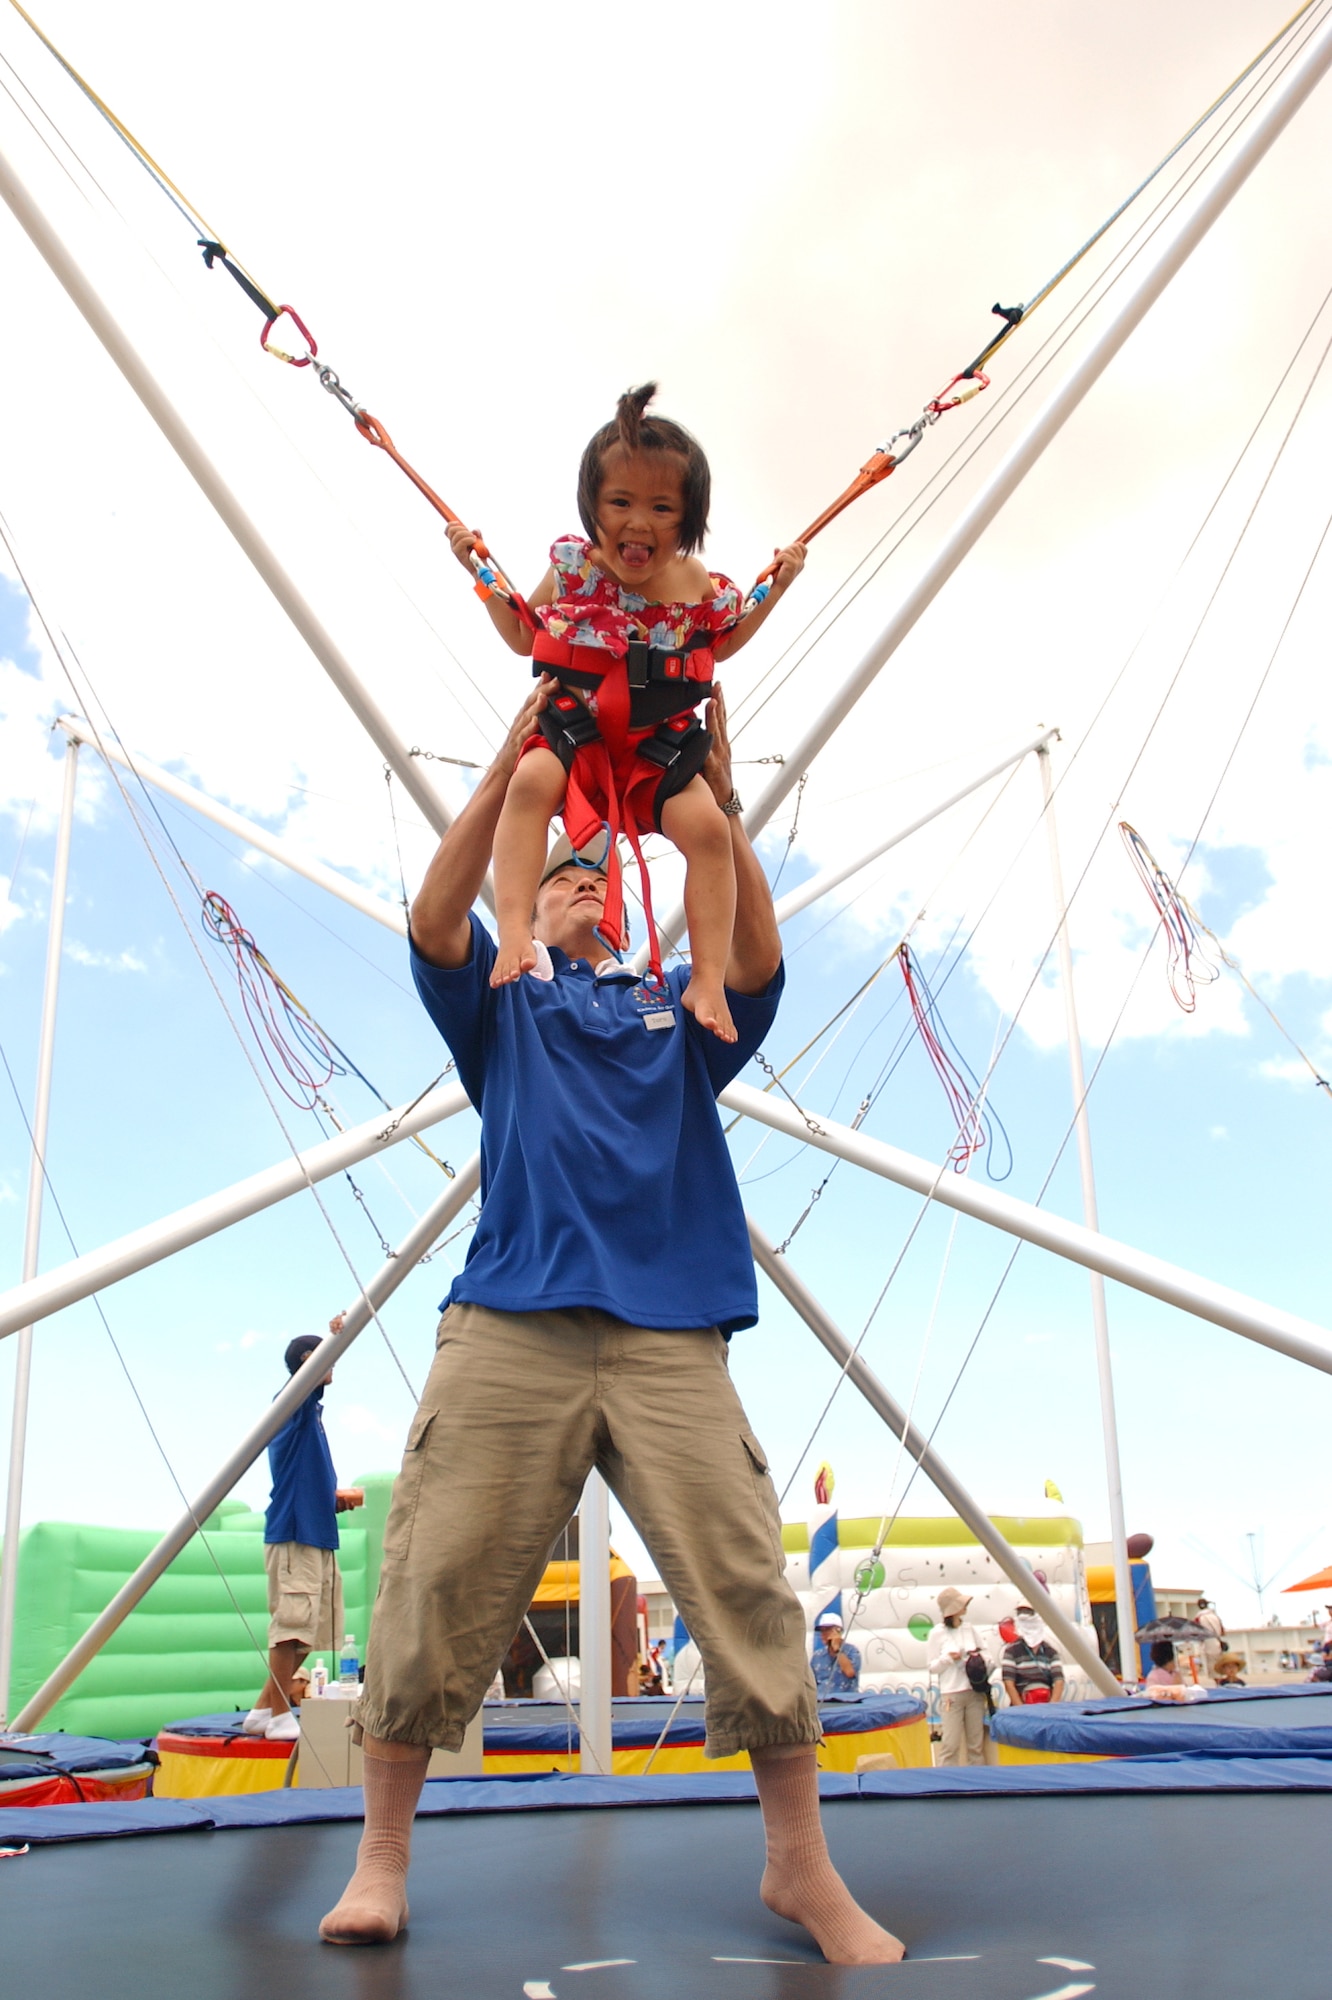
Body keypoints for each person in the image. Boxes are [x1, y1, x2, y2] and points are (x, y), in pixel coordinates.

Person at [318, 688, 903, 1965]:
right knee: (430, 1578)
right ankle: (382, 1857)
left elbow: (752, 959)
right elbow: (434, 917)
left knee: (747, 1579)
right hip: (511, 1320)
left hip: (670, 1330)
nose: (581, 877)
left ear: (630, 906)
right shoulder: (508, 996)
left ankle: (799, 1867)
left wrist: (720, 789)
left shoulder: (676, 1012)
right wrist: (515, 765)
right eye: (561, 866)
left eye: (600, 868)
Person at [446, 383, 806, 1042]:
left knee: (709, 832)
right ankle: (515, 934)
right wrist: (480, 575)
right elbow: (526, 634)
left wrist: (775, 588)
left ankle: (706, 977)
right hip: (574, 736)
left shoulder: (696, 584)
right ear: (592, 510)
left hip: (656, 749)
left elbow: (725, 640)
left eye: (661, 507)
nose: (638, 522)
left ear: (688, 521)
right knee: (526, 787)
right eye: (620, 503)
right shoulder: (574, 573)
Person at [245, 1321, 364, 1742]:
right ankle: (279, 1714)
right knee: (292, 1626)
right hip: (296, 1531)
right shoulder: (294, 1403)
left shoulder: (310, 1415)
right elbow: (310, 1376)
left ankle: (262, 1708)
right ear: (307, 1363)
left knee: (310, 1632)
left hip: (316, 1530)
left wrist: (333, 1499)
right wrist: (338, 1332)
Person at [926, 1586, 991, 1765]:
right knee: (950, 1744)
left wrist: (975, 1661)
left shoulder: (970, 1630)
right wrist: (948, 1659)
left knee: (975, 1745)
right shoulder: (937, 1633)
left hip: (973, 1691)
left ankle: (978, 1784)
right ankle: (946, 1785)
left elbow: (988, 1656)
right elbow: (932, 1667)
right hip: (951, 1695)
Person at [1001, 1604, 1066, 1708]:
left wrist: (1051, 1708)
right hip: (1022, 1704)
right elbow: (1008, 1682)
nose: (1025, 1617)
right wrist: (1021, 1709)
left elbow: (1059, 1681)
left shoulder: (1051, 1651)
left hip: (1046, 1704)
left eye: (1029, 1613)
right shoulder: (1011, 1651)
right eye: (1021, 1613)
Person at [811, 1613, 861, 1697]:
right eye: (822, 1630)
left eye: (827, 1630)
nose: (823, 1634)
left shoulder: (852, 1651)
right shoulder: (817, 1656)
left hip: (846, 1702)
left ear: (838, 1631)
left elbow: (850, 1672)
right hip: (822, 1703)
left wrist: (837, 1650)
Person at [1196, 1596, 1225, 1681]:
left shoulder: (1199, 1617)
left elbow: (1197, 1633)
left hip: (1208, 1644)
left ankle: (1218, 1684)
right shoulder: (1215, 1616)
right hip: (1218, 1643)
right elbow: (1222, 1631)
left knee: (1213, 1667)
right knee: (1220, 1665)